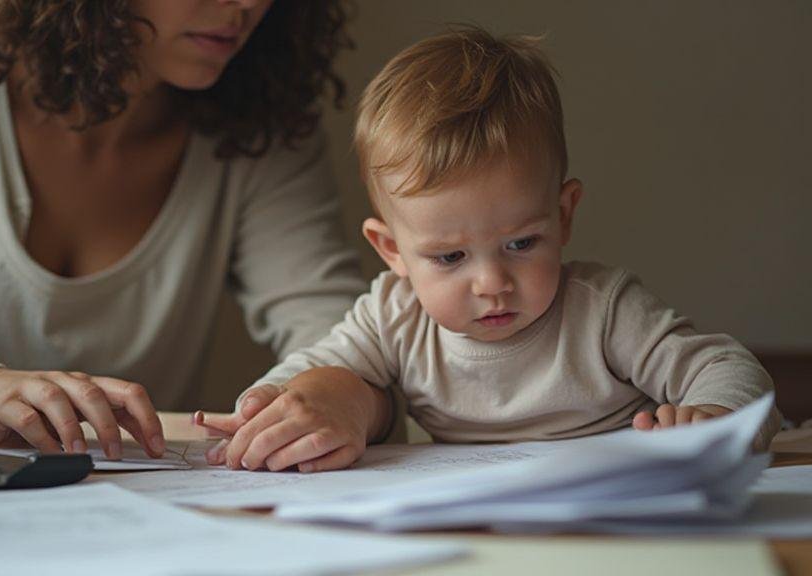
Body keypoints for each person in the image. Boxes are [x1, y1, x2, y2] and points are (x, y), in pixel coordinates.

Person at [197, 27, 781, 473]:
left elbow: (729, 369)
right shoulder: (394, 316)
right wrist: (267, 404)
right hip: (479, 516)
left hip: (611, 507)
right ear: (392, 249)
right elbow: (318, 370)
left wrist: (714, 422)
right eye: (450, 258)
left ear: (563, 214)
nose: (492, 282)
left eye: (522, 243)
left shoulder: (602, 311)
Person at [0, 0, 366, 461]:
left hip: (130, 517)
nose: (247, 3)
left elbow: (340, 335)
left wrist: (327, 397)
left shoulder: (264, 114)